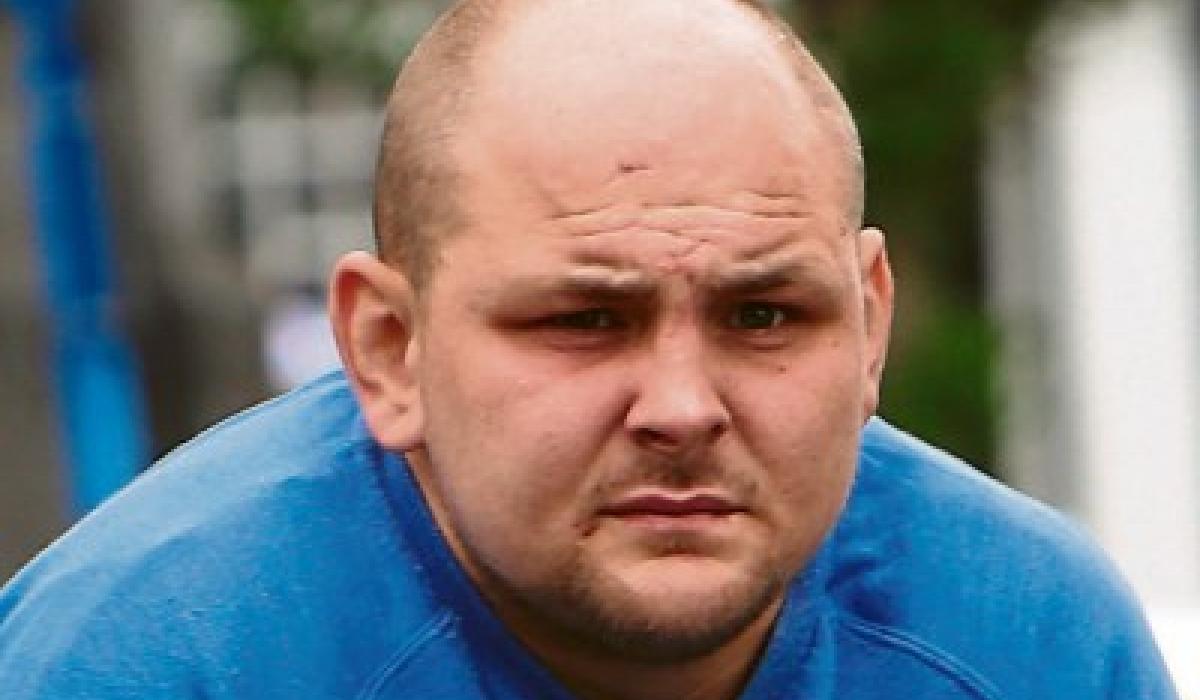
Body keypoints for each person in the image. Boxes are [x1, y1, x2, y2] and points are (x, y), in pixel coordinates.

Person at [0, 0, 1180, 697]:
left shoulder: (1033, 644)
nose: (682, 405)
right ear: (389, 350)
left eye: (765, 314)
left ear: (869, 323)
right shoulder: (147, 661)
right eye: (584, 320)